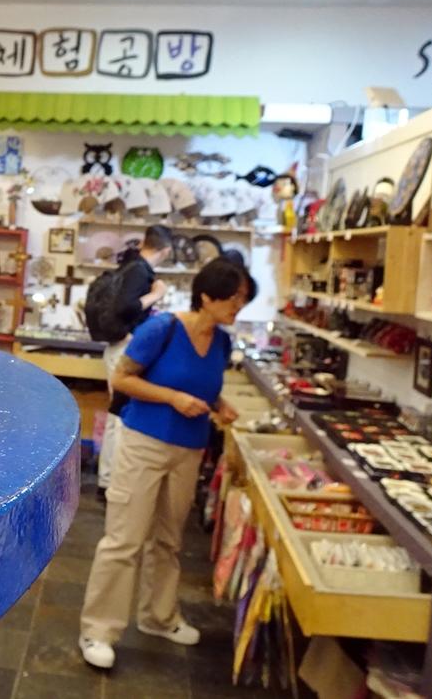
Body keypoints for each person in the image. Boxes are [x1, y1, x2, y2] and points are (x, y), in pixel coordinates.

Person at [79, 258, 257, 670]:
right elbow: (123, 380)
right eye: (232, 297)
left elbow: (202, 388)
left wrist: (218, 404)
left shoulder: (222, 342)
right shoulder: (164, 328)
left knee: (168, 539)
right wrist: (173, 398)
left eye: (244, 299)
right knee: (125, 539)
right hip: (145, 443)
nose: (238, 306)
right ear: (207, 295)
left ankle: (159, 616)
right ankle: (98, 630)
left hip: (189, 450)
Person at [96, 225, 174, 493]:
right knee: (121, 416)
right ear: (166, 251)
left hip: (117, 347)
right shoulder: (139, 271)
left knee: (115, 416)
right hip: (123, 349)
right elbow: (125, 307)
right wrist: (157, 294)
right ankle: (114, 482)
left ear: (144, 242)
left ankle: (108, 479)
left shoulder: (131, 265)